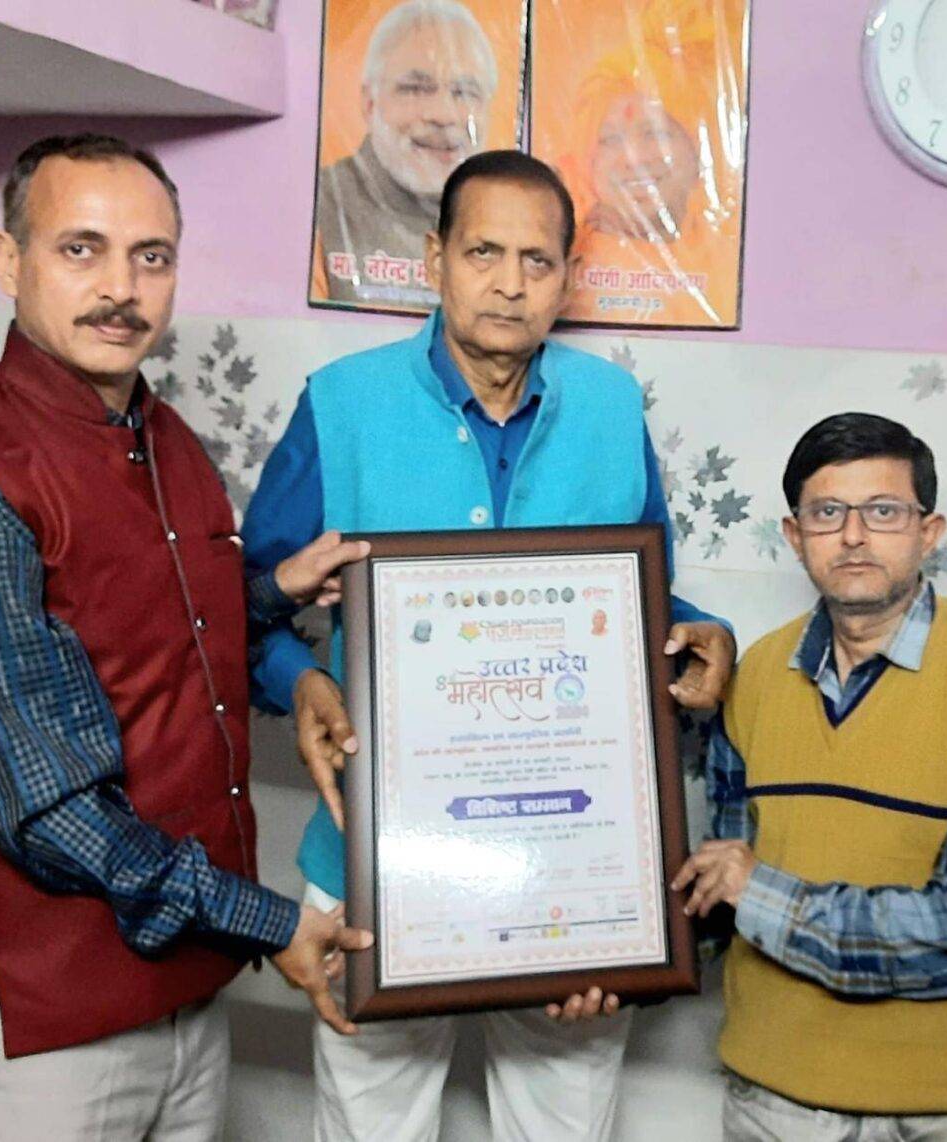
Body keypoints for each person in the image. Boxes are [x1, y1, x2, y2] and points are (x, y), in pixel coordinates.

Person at [0, 133, 372, 1141]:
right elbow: (46, 808)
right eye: (81, 249)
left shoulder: (165, 439)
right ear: (9, 261)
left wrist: (268, 596)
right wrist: (269, 919)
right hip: (36, 1030)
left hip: (185, 991)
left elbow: (152, 643)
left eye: (152, 256)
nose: (121, 288)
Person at [246, 148, 737, 1141]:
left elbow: (637, 595)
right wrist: (298, 678)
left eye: (537, 260)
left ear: (567, 277)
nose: (510, 283)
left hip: (574, 863)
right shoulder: (341, 402)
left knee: (564, 1122)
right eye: (483, 253)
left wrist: (708, 633)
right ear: (436, 259)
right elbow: (249, 602)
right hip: (375, 849)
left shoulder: (611, 408)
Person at [672, 413, 947, 1141]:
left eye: (882, 511)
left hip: (935, 1119)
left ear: (928, 532)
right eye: (827, 513)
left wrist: (767, 896)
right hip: (769, 1103)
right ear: (794, 535)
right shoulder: (752, 678)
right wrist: (602, 970)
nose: (852, 536)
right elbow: (723, 889)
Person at [555, 0, 747, 327]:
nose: (634, 159)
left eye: (655, 133)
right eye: (610, 139)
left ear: (700, 151)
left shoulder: (729, 258)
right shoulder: (563, 257)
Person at [311, 0, 497, 309]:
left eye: (465, 93)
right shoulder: (317, 205)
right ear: (369, 103)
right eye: (415, 89)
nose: (442, 115)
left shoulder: (510, 221)